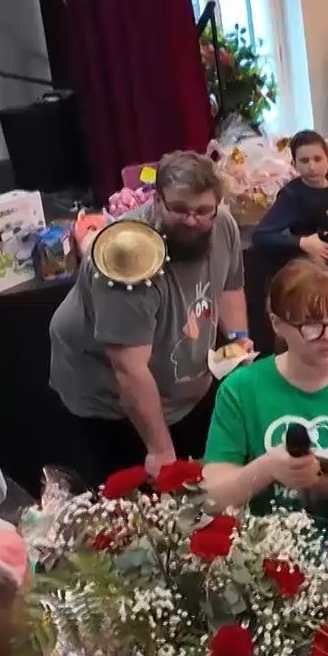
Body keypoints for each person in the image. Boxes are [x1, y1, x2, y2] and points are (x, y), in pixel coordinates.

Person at [49, 152, 249, 480]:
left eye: (203, 211)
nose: (192, 220)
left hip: (178, 381)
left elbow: (230, 287)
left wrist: (239, 343)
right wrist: (159, 450)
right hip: (109, 401)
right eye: (179, 209)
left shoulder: (223, 224)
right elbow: (129, 369)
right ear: (157, 201)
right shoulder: (126, 256)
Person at [200, 258, 328, 531]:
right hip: (267, 559)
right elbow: (212, 498)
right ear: (277, 324)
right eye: (311, 326)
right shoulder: (241, 389)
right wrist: (268, 467)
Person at [251, 131, 328, 328]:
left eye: (317, 159)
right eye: (304, 160)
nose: (312, 167)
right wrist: (303, 242)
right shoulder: (292, 195)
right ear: (294, 165)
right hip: (321, 279)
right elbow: (261, 236)